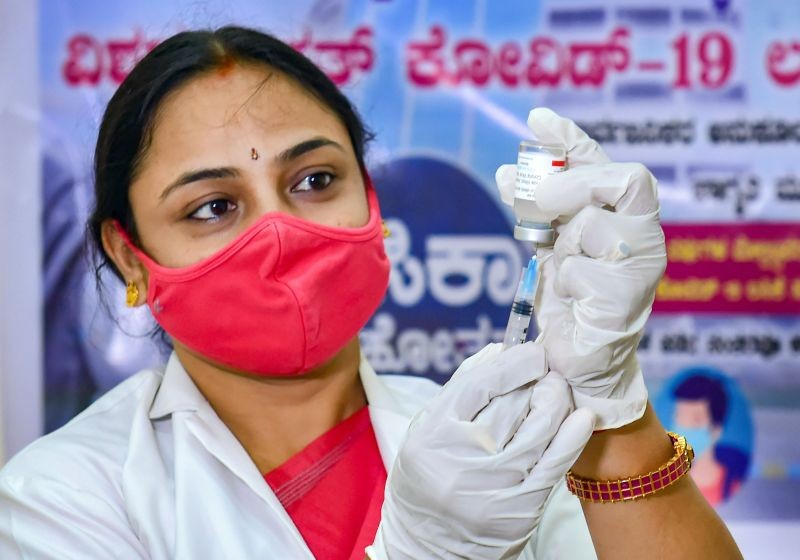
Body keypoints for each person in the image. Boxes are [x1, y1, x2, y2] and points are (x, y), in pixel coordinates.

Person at [0, 26, 742, 559]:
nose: (282, 231)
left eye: (315, 180)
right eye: (213, 206)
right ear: (130, 258)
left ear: (374, 203)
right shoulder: (66, 494)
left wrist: (611, 412)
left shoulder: (486, 444)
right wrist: (422, 552)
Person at [671, 370, 749, 505]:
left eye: (695, 421)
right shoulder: (668, 487)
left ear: (716, 431)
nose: (684, 430)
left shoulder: (735, 485)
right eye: (680, 419)